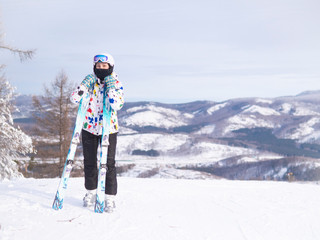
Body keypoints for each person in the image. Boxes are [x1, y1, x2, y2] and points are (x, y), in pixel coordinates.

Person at [70, 53, 124, 212]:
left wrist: (111, 87)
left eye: (104, 66)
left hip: (109, 128)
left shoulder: (116, 83)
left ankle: (109, 198)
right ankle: (91, 193)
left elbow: (117, 104)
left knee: (109, 164)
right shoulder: (90, 83)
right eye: (98, 66)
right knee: (90, 162)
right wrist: (82, 87)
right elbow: (74, 99)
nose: (100, 68)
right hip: (89, 127)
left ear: (110, 67)